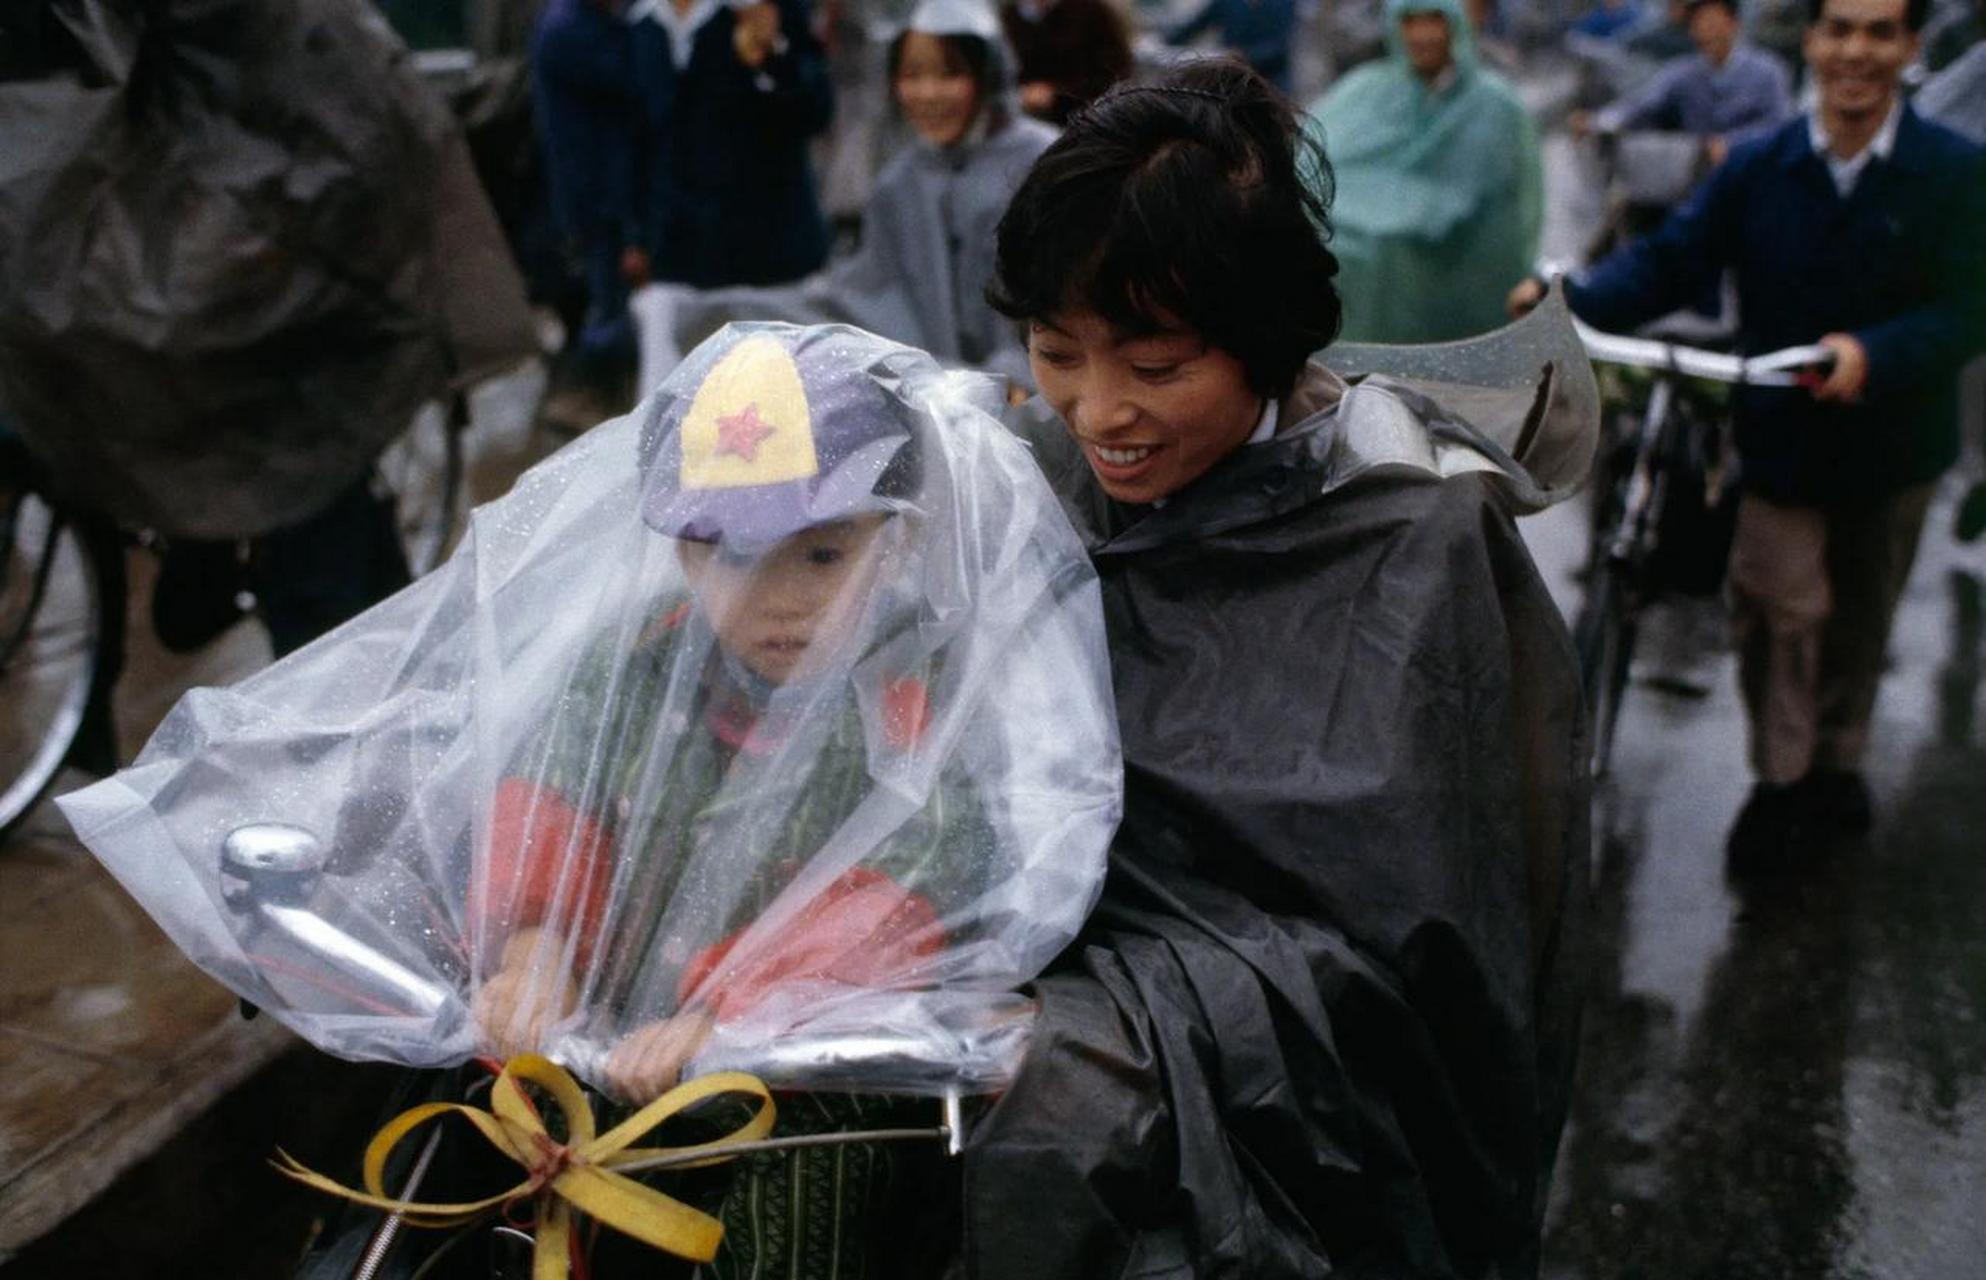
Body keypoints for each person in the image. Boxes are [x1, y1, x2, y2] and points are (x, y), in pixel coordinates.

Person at [967, 58, 1589, 1277]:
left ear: (1265, 341)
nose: (1099, 413)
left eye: (1155, 366)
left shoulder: (1417, 543)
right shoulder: (1023, 476)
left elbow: (1422, 971)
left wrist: (1106, 1030)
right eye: (1056, 352)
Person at [458, 324, 1119, 1276]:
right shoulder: (640, 659)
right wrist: (535, 950)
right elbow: (559, 793)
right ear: (684, 556)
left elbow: (925, 863)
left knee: (810, 1173)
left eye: (821, 557)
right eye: (730, 555)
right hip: (605, 1048)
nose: (776, 599)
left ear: (898, 538)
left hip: (810, 1071)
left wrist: (741, 1014)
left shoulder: (920, 685)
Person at [1510, 0, 1986, 865]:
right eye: (1839, 28)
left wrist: (1873, 353)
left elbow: (1967, 308)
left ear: (1911, 48)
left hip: (1895, 450)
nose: (1856, 51)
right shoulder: (1761, 167)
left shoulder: (1953, 171)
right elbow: (1670, 261)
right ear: (1810, 41)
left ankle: (1839, 763)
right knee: (1775, 607)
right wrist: (1566, 305)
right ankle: (1781, 775)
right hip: (1778, 442)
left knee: (1859, 620)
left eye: (1880, 32)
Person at [658, 0, 1059, 389]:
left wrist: (1018, 375)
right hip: (942, 402)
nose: (929, 93)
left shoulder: (1041, 165)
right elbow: (862, 297)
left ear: (986, 75)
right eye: (911, 75)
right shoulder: (899, 183)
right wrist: (731, 315)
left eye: (950, 73)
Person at [1307, 0, 1542, 343]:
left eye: (1434, 20)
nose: (1422, 35)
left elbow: (1501, 211)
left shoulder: (1495, 107)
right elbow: (1313, 163)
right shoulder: (1365, 90)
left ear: (1456, 25)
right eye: (1410, 21)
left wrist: (1407, 219)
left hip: (1453, 271)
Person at [629, 0, 836, 288]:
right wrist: (636, 237)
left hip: (775, 257)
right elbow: (638, 141)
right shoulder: (639, 21)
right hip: (679, 261)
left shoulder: (765, 8)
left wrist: (771, 54)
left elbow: (816, 110)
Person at [531, 0, 648, 426]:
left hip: (599, 192)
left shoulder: (584, 22)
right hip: (596, 195)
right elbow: (638, 78)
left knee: (608, 299)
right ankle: (580, 396)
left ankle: (587, 392)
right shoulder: (573, 29)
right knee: (610, 305)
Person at [1574, 0, 1793, 168]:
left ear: (1732, 23)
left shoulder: (1767, 71)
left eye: (1711, 20)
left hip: (1753, 170)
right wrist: (1598, 122)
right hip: (1700, 175)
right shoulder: (1684, 73)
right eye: (1698, 22)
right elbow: (1642, 106)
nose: (1705, 29)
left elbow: (1779, 126)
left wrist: (1733, 145)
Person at [998, 0, 1133, 123]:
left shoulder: (1091, 11)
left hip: (1085, 120)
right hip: (1026, 117)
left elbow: (1116, 71)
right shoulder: (1009, 16)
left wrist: (1055, 93)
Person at [1163, 0, 1302, 91]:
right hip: (1233, 80)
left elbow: (1280, 45)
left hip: (1271, 82)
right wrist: (1162, 42)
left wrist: (1245, 55)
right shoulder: (1228, 2)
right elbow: (1197, 25)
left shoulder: (1282, 3)